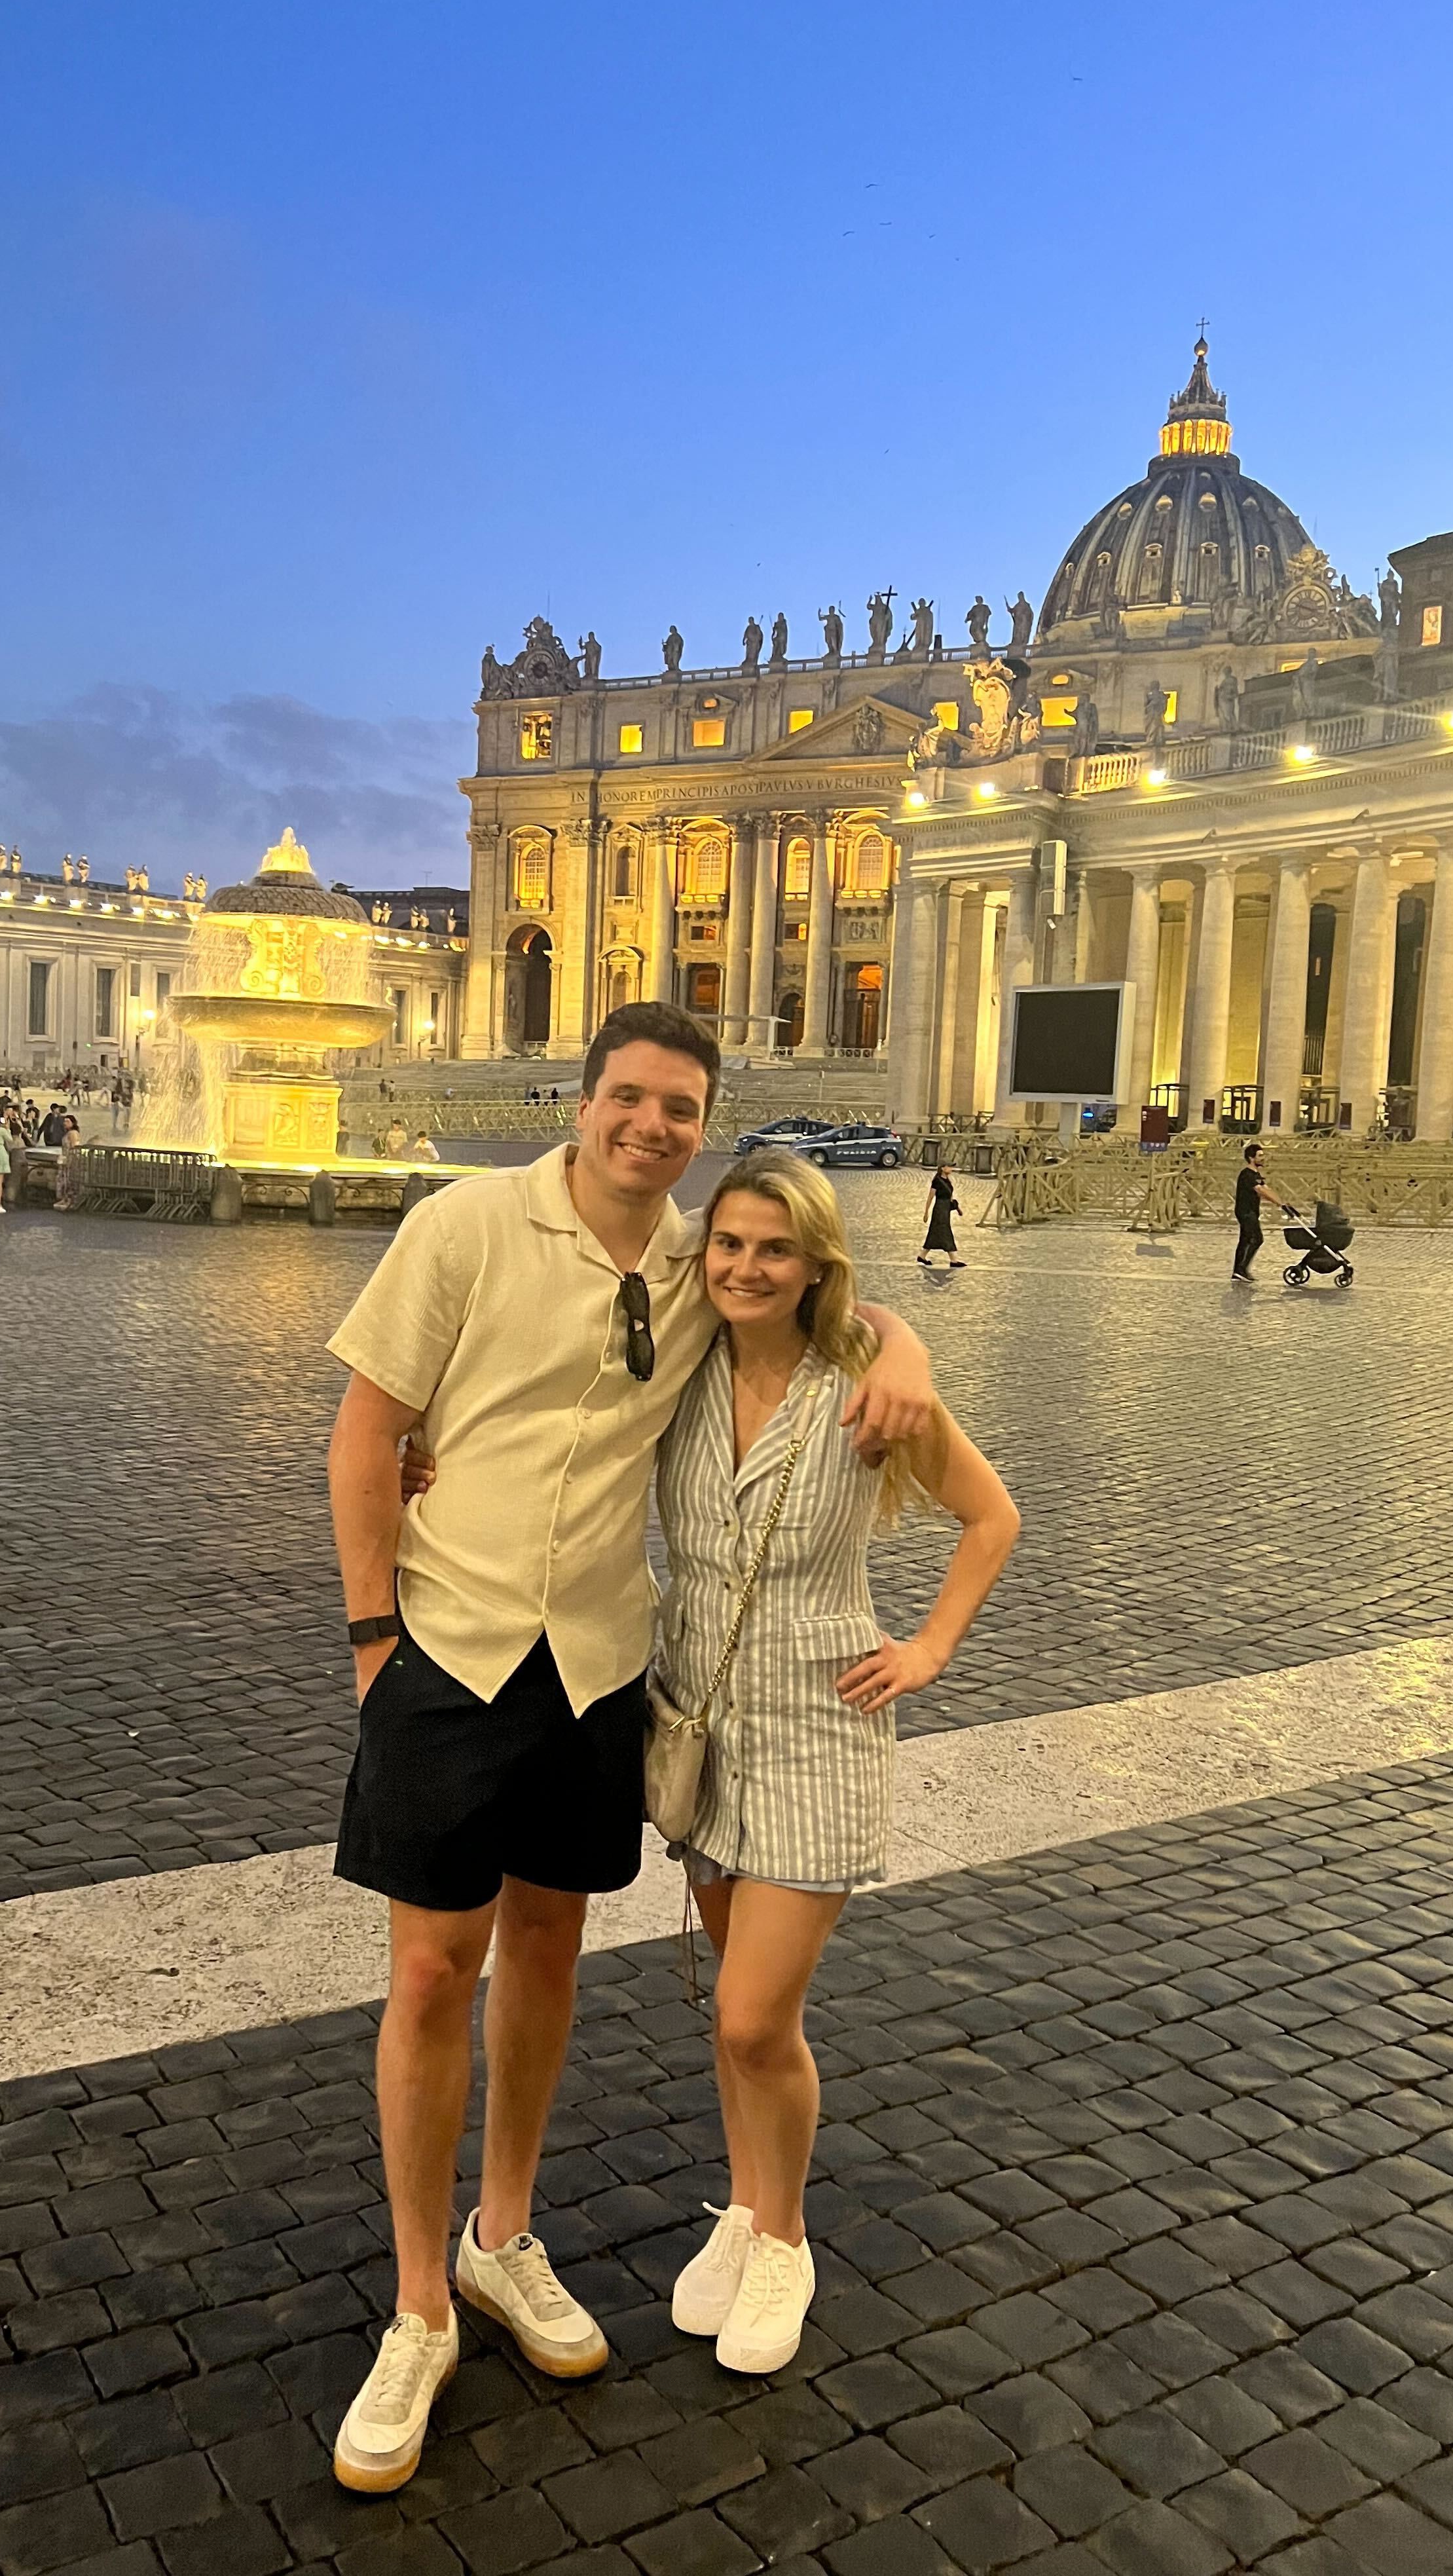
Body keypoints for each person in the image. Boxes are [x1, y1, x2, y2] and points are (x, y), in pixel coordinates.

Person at [322, 1001, 932, 2495]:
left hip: (601, 1666)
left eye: (681, 1109)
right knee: (424, 1975)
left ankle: (502, 2240)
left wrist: (905, 1331)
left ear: (702, 1127)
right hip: (449, 1645)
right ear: (582, 1098)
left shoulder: (694, 1256)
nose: (652, 1127)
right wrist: (367, 1640)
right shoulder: (465, 1224)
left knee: (546, 1955)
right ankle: (415, 2306)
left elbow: (821, 1299)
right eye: (632, 1099)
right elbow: (362, 1433)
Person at [659, 1152, 1018, 2371]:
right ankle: (744, 2206)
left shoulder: (866, 1392)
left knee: (758, 2014)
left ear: (813, 1263)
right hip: (697, 1712)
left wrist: (926, 1647)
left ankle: (788, 2237)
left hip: (820, 1720)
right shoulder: (677, 1366)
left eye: (772, 1249)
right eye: (728, 1244)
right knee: (725, 2010)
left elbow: (991, 1516)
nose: (744, 1267)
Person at [1232, 1140, 1287, 1282]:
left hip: (1251, 1211)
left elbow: (1267, 1189)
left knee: (1245, 1240)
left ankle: (1238, 1272)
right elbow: (1261, 1191)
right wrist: (1279, 1204)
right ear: (1252, 1158)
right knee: (1257, 1239)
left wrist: (1283, 1204)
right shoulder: (1247, 1174)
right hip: (1245, 1211)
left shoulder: (1256, 1175)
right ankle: (1241, 1269)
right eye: (1260, 1156)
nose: (1263, 1158)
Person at [919, 1165, 965, 1269]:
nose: (951, 1169)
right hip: (939, 1210)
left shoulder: (948, 1181)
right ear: (943, 1169)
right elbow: (930, 1197)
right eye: (949, 1167)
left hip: (945, 1210)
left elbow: (950, 1198)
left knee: (935, 1233)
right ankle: (953, 1260)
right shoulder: (937, 1181)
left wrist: (958, 1209)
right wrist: (926, 1213)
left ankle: (922, 1256)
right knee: (945, 1232)